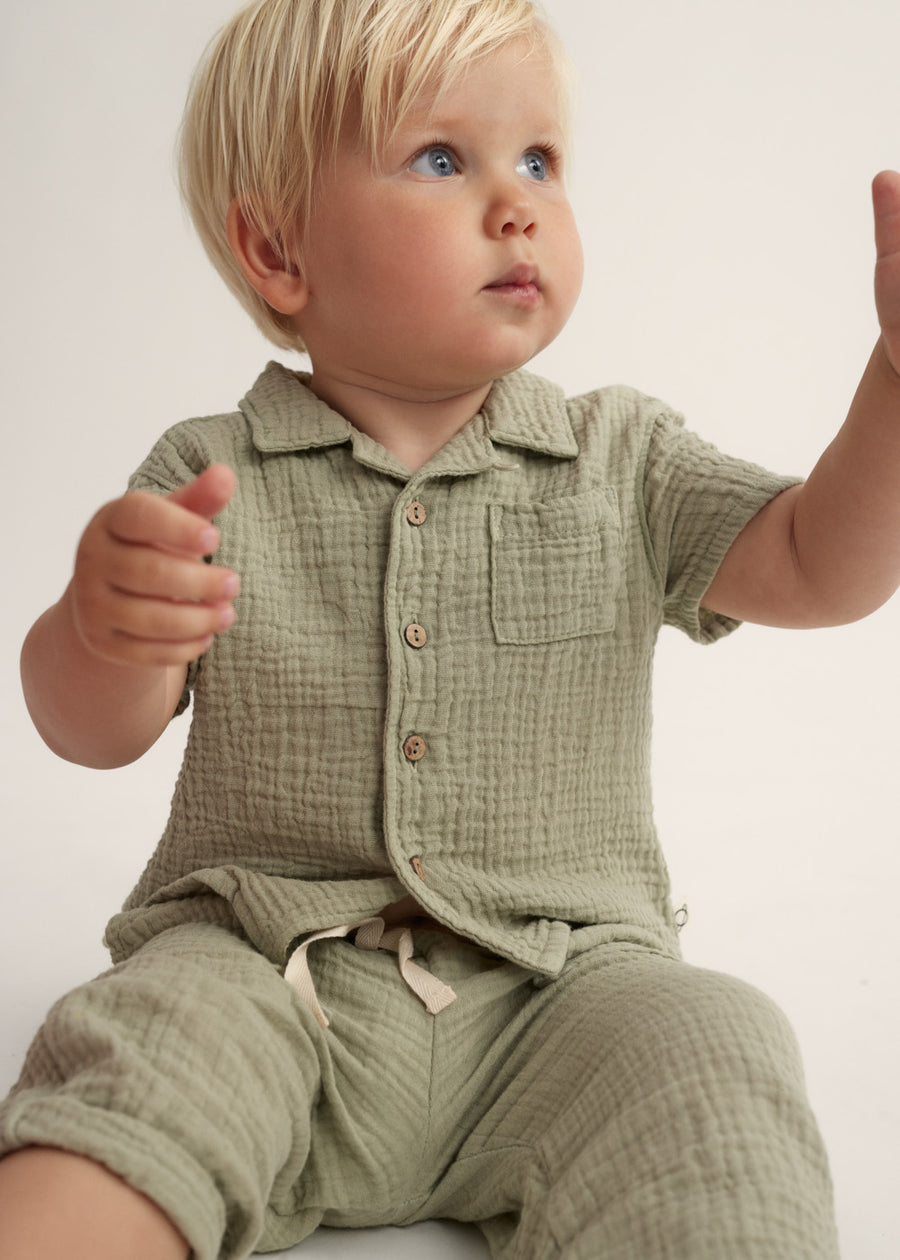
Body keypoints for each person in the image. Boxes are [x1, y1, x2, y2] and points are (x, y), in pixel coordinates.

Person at [1, 0, 898, 1255]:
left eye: (540, 160)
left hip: (565, 997)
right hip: (268, 974)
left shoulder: (619, 457)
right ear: (278, 251)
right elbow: (88, 732)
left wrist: (895, 384)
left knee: (712, 1041)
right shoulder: (211, 470)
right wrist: (107, 635)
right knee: (145, 1046)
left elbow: (822, 564)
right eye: (442, 159)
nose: (517, 201)